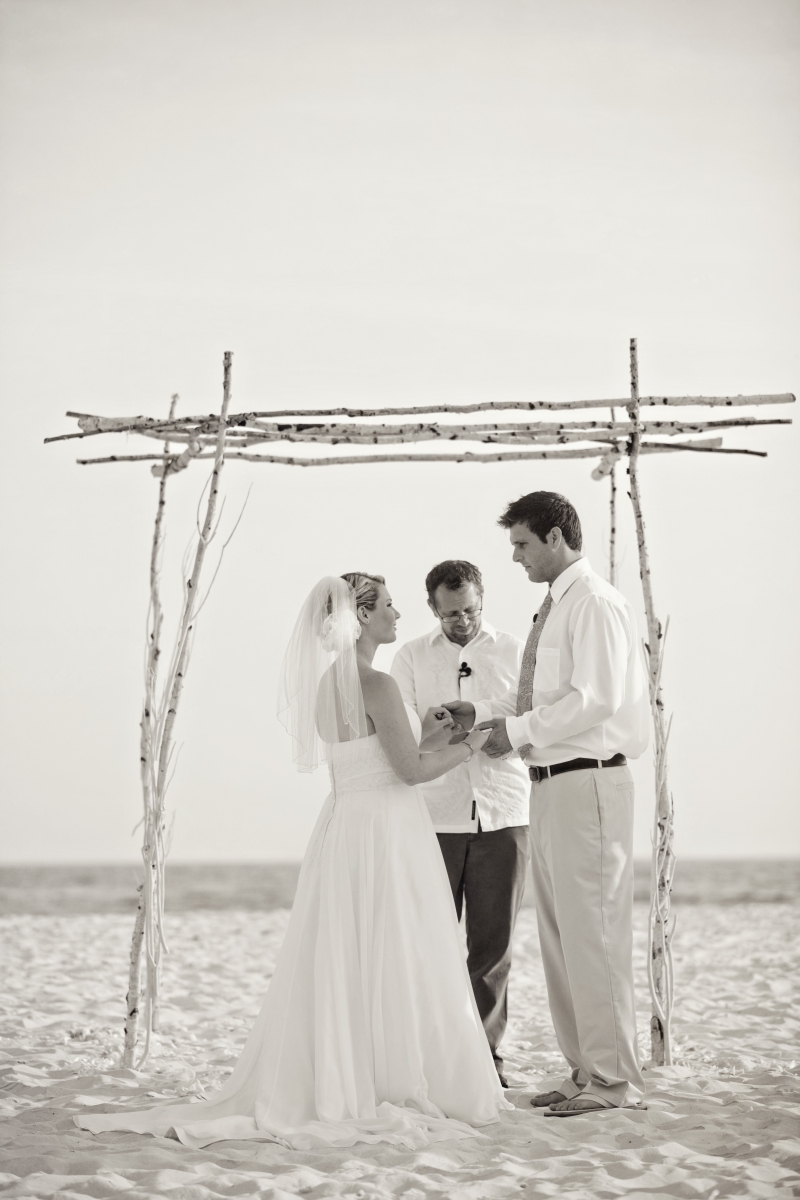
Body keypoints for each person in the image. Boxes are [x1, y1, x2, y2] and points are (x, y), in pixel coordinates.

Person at [75, 573, 509, 1150]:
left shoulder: (331, 684)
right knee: (394, 948)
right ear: (361, 616)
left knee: (351, 951)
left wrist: (429, 735)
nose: (398, 614)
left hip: (347, 824)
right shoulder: (378, 683)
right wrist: (471, 744)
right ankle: (394, 1074)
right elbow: (410, 773)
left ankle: (360, 1069)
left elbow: (379, 761)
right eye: (388, 605)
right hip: (386, 830)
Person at [443, 493, 650, 1117]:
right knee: (561, 937)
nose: (516, 557)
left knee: (595, 936)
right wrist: (483, 712)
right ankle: (585, 1071)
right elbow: (544, 698)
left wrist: (516, 732)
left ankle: (613, 1081)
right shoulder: (557, 605)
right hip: (551, 785)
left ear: (556, 537)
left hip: (590, 782)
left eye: (523, 544)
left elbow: (596, 699)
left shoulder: (595, 603)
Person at [390, 560, 529, 1088]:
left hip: (504, 812)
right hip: (433, 817)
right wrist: (435, 724)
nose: (463, 620)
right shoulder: (409, 656)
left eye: (470, 609)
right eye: (451, 614)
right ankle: (431, 1057)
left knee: (493, 948)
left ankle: (486, 1059)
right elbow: (400, 724)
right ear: (432, 608)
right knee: (429, 945)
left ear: (481, 598)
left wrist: (477, 710)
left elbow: (529, 707)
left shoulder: (514, 650)